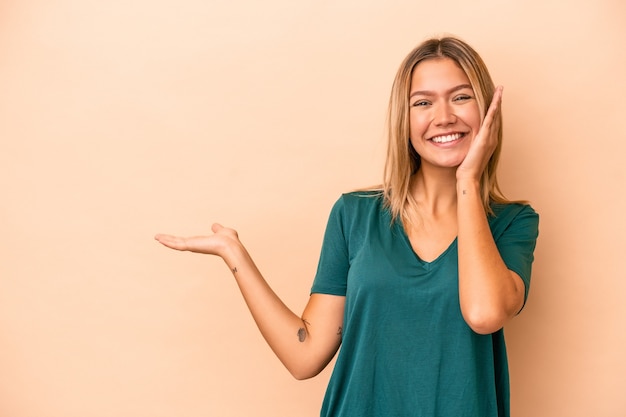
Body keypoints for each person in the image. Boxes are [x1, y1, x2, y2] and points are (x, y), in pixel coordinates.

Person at [155, 35, 539, 417]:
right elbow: (304, 356)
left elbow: (484, 313)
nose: (443, 117)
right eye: (422, 102)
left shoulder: (513, 224)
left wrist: (468, 182)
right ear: (403, 121)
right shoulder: (354, 214)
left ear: (487, 110)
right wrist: (235, 254)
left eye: (461, 97)